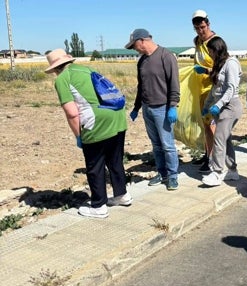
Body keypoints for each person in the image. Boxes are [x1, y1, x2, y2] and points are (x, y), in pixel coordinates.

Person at [44, 49, 131, 218]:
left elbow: (72, 112)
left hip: (96, 122)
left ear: (55, 68)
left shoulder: (62, 79)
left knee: (94, 165)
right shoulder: (87, 69)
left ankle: (99, 206)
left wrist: (79, 136)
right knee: (115, 160)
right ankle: (122, 195)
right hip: (117, 116)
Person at [125, 28, 180, 191]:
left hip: (163, 109)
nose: (134, 49)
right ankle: (162, 173)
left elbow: (174, 84)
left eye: (134, 45)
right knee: (156, 145)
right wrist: (136, 107)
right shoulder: (142, 61)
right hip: (147, 108)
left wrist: (173, 106)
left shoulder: (166, 56)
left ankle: (172, 176)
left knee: (167, 145)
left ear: (142, 40)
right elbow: (141, 86)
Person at [200, 36, 243, 186]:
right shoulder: (220, 64)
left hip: (231, 106)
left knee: (218, 137)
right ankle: (232, 171)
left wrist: (219, 104)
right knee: (226, 139)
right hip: (222, 107)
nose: (210, 54)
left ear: (218, 49)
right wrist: (207, 105)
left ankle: (217, 172)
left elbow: (231, 88)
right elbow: (215, 89)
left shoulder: (231, 63)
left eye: (211, 51)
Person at [191, 9, 218, 173]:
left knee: (211, 126)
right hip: (200, 90)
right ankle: (208, 152)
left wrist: (206, 71)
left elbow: (222, 68)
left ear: (208, 24)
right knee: (204, 125)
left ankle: (213, 159)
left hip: (212, 91)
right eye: (197, 28)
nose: (201, 31)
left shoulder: (215, 43)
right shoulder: (198, 42)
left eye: (202, 27)